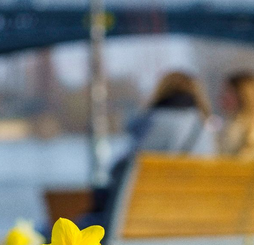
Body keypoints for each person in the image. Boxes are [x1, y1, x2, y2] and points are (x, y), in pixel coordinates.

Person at [87, 71, 216, 229]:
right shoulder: (205, 126)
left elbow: (125, 166)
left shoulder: (156, 120)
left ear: (162, 90)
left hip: (147, 219)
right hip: (195, 218)